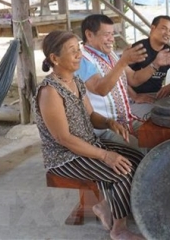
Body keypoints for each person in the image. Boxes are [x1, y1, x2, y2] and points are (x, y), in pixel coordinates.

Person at [34, 30, 144, 240]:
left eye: (79, 49)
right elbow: (63, 139)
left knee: (138, 158)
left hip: (87, 143)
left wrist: (110, 123)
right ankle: (118, 229)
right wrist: (105, 155)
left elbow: (91, 115)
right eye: (72, 51)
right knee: (122, 170)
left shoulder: (75, 81)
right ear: (54, 58)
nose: (79, 55)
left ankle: (105, 206)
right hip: (64, 156)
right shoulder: (50, 92)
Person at [75, 14, 170, 151]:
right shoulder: (83, 59)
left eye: (112, 34)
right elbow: (100, 89)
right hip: (105, 129)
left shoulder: (110, 54)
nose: (111, 39)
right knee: (143, 152)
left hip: (126, 120)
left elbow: (134, 79)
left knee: (161, 139)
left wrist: (155, 64)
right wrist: (123, 62)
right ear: (89, 34)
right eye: (107, 34)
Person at [129, 15, 170, 103]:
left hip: (155, 97)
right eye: (164, 28)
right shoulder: (139, 48)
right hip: (133, 98)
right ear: (153, 28)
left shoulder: (169, 52)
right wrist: (135, 96)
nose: (167, 33)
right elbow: (118, 76)